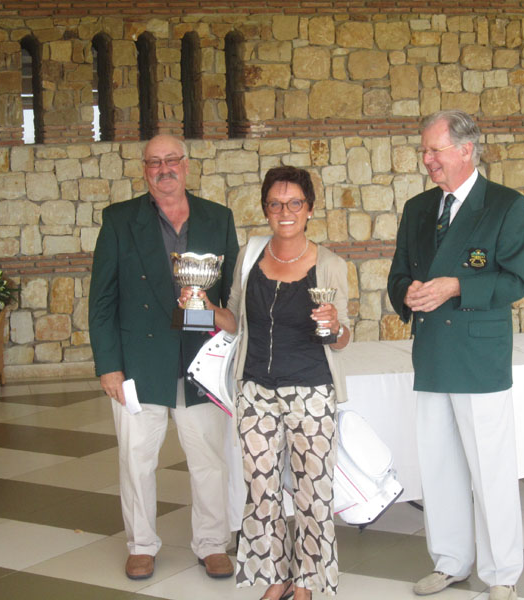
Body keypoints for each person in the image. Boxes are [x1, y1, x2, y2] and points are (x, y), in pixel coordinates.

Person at [387, 110, 524, 600]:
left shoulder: (506, 205)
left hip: (479, 358)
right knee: (439, 468)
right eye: (424, 151)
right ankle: (450, 561)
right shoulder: (417, 208)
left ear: (466, 149)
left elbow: (517, 280)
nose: (427, 160)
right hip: (432, 353)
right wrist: (407, 292)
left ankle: (501, 574)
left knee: (491, 470)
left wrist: (456, 286)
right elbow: (397, 275)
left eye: (435, 150)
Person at [185, 165, 350, 600]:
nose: (285, 211)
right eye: (275, 204)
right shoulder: (249, 256)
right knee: (261, 490)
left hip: (311, 392)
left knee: (313, 493)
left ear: (309, 209)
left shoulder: (330, 264)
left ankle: (307, 583)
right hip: (255, 391)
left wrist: (335, 325)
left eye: (295, 203)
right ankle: (276, 578)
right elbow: (234, 319)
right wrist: (200, 305)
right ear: (265, 209)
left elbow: (342, 337)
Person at [89, 134, 239, 581]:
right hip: (139, 361)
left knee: (210, 459)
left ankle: (212, 543)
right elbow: (102, 301)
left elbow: (232, 294)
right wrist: (109, 366)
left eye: (172, 160)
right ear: (144, 170)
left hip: (202, 360)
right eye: (154, 162)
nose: (164, 169)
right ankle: (140, 544)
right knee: (137, 459)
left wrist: (220, 321)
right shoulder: (119, 220)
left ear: (186, 165)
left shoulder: (218, 218)